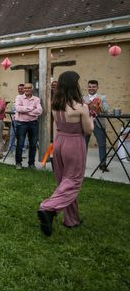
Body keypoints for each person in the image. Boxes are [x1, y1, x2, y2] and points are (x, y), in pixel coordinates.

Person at [37, 71, 93, 236]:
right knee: (73, 181)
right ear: (73, 84)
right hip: (74, 142)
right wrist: (92, 118)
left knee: (64, 181)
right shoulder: (81, 106)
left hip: (59, 142)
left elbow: (56, 126)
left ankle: (72, 219)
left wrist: (53, 145)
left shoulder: (55, 104)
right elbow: (88, 130)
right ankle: (48, 208)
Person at [84, 79, 111, 172]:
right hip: (86, 123)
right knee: (83, 144)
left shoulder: (102, 97)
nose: (91, 88)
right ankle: (81, 163)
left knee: (102, 144)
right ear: (87, 87)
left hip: (99, 124)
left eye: (93, 87)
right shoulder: (83, 98)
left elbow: (107, 110)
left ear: (97, 87)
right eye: (90, 86)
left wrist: (100, 105)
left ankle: (103, 164)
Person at [14, 83, 43, 170]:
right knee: (20, 144)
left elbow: (40, 111)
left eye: (29, 88)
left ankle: (31, 163)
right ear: (23, 89)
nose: (27, 89)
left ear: (32, 89)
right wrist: (31, 109)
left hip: (33, 123)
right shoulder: (19, 97)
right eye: (25, 88)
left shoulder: (36, 99)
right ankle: (18, 163)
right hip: (21, 123)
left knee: (33, 145)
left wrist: (25, 110)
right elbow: (18, 108)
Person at [8, 84, 26, 152]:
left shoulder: (26, 97)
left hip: (23, 119)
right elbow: (14, 108)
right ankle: (11, 149)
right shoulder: (17, 97)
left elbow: (23, 108)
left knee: (22, 135)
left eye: (22, 88)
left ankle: (23, 149)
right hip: (15, 119)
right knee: (12, 134)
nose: (20, 90)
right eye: (19, 88)